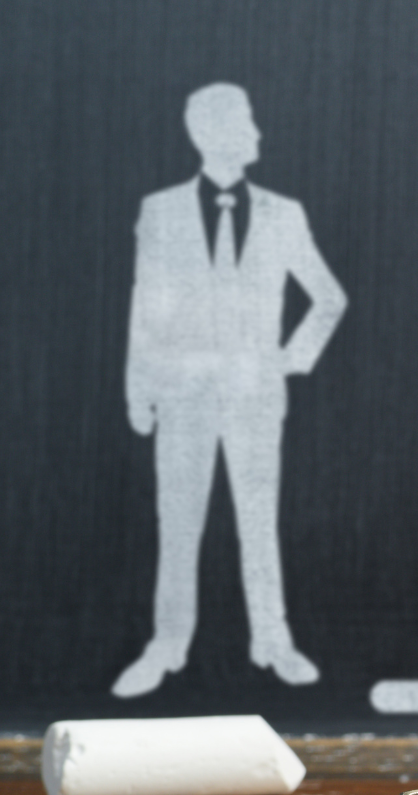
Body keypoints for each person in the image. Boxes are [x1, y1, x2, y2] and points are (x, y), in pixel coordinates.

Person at [113, 83, 348, 698]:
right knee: (178, 523)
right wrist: (139, 387)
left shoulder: (282, 213)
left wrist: (289, 360)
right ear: (208, 133)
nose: (257, 134)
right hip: (182, 395)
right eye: (245, 122)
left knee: (258, 521)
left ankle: (272, 640)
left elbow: (328, 297)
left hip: (255, 398)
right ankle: (167, 644)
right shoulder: (161, 211)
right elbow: (145, 305)